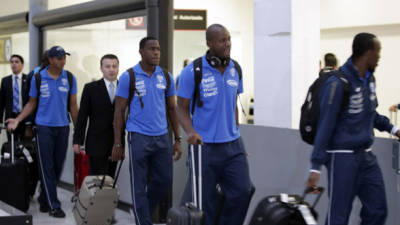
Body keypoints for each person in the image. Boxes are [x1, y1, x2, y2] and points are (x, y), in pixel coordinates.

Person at [306, 33, 400, 225]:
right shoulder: (338, 83)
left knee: (377, 210)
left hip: (366, 156)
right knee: (338, 216)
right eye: (377, 53)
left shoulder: (369, 80)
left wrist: (393, 128)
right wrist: (316, 166)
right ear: (367, 54)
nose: (379, 58)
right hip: (342, 157)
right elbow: (325, 125)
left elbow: (370, 114)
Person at [176, 24, 253, 225]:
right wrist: (190, 132)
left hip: (233, 145)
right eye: (222, 40)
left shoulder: (235, 68)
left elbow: (234, 104)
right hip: (204, 147)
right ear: (209, 43)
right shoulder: (193, 71)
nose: (227, 44)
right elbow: (181, 108)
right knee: (205, 201)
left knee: (243, 190)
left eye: (228, 39)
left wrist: (237, 133)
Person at [112, 37, 182, 225]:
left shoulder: (166, 76)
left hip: (162, 138)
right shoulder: (129, 76)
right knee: (139, 185)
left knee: (164, 180)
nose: (156, 52)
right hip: (138, 136)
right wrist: (118, 142)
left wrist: (178, 138)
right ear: (141, 51)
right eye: (152, 49)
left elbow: (172, 109)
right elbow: (119, 111)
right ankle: (143, 221)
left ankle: (141, 211)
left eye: (158, 49)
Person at [6, 45, 78, 218]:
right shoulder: (38, 78)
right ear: (51, 60)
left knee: (58, 166)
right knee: (47, 167)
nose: (63, 61)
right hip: (44, 127)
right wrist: (18, 120)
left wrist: (80, 130)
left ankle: (44, 198)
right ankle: (54, 205)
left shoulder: (69, 77)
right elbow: (31, 103)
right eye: (59, 58)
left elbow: (73, 106)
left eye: (64, 57)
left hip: (62, 128)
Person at [73, 54, 120, 178]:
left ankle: (109, 199)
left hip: (116, 143)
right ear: (101, 68)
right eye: (108, 66)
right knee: (97, 182)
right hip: (96, 144)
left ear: (118, 68)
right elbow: (82, 116)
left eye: (114, 66)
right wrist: (77, 140)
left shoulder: (124, 88)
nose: (111, 69)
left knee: (111, 181)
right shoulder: (90, 88)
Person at [0, 54, 32, 141]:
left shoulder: (28, 79)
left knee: (25, 145)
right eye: (12, 62)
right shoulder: (5, 81)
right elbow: (1, 102)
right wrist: (0, 121)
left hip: (24, 117)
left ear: (22, 64)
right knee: (11, 144)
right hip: (10, 117)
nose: (14, 64)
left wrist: (30, 122)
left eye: (17, 62)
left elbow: (31, 101)